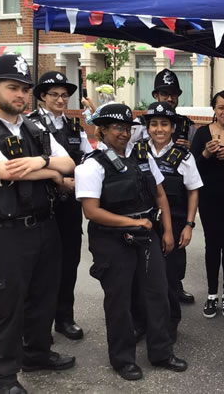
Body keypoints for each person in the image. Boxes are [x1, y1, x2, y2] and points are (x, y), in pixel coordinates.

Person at [0, 54, 76, 394]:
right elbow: (7, 172)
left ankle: (36, 353)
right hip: (7, 233)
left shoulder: (35, 127)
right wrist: (51, 170)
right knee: (7, 307)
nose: (20, 95)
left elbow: (70, 163)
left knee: (43, 297)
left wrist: (43, 161)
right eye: (12, 87)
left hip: (45, 226)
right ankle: (4, 377)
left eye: (24, 89)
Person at [74, 103, 187, 381]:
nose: (123, 133)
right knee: (120, 300)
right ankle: (123, 359)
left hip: (147, 233)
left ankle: (161, 352)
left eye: (127, 128)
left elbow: (160, 195)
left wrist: (168, 231)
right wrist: (134, 223)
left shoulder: (142, 157)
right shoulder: (92, 165)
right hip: (112, 240)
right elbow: (92, 211)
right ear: (102, 130)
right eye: (117, 128)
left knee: (157, 293)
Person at [28, 71, 94, 341]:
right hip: (43, 204)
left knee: (69, 263)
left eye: (64, 95)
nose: (60, 99)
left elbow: (90, 155)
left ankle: (64, 318)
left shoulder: (75, 126)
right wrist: (59, 179)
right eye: (54, 94)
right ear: (42, 96)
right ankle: (39, 326)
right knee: (42, 268)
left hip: (70, 206)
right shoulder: (30, 124)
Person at [143, 101, 202, 341]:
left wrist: (189, 225)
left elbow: (193, 191)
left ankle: (170, 324)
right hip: (144, 224)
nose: (159, 129)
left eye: (164, 124)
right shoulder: (136, 151)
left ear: (172, 127)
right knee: (143, 277)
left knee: (169, 278)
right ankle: (144, 323)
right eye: (154, 124)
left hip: (175, 224)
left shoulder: (183, 156)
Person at [191, 91, 224, 319]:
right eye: (221, 107)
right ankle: (212, 294)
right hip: (209, 198)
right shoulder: (203, 133)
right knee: (212, 245)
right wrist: (206, 152)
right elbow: (191, 166)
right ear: (214, 109)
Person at [150, 68, 196, 303]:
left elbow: (198, 162)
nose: (170, 98)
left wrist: (192, 147)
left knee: (177, 250)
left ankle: (175, 287)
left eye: (174, 94)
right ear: (156, 95)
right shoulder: (141, 124)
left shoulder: (188, 125)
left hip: (178, 196)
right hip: (150, 200)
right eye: (165, 93)